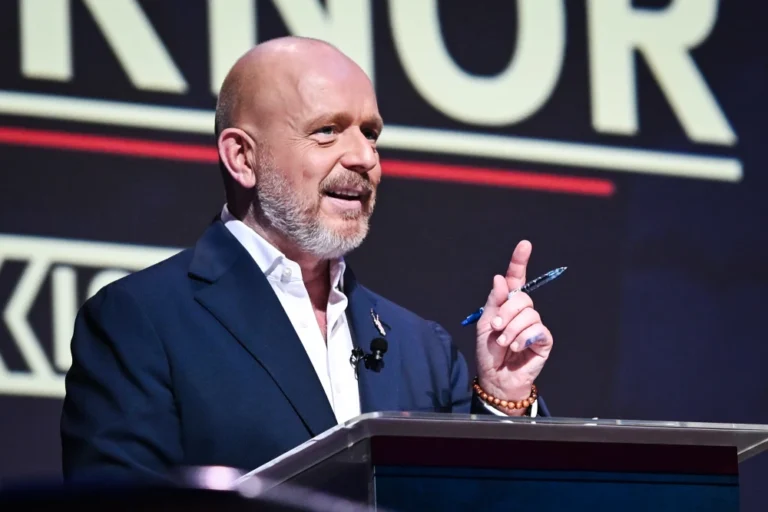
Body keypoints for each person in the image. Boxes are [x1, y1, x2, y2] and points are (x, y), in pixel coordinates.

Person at [60, 36, 554, 483]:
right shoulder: (142, 321)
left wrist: (504, 399)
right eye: (327, 131)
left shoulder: (422, 348)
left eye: (370, 133)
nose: (364, 157)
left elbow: (485, 498)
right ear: (243, 158)